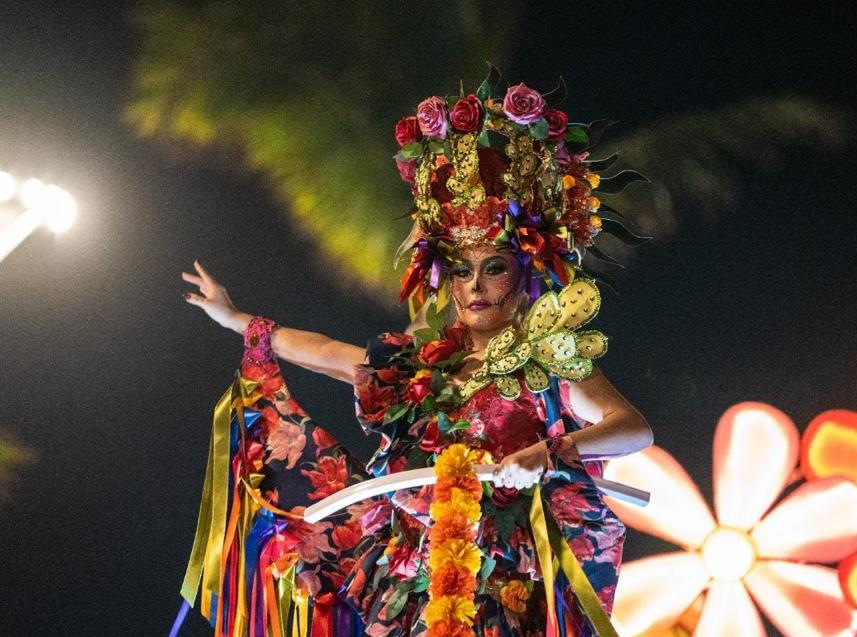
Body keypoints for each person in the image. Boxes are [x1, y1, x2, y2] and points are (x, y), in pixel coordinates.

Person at [178, 81, 653, 637]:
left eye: (494, 268)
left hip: (510, 572)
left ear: (523, 277)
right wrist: (240, 322)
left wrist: (551, 451)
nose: (475, 286)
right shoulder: (424, 371)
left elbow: (633, 430)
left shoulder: (547, 360)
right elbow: (334, 355)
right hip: (416, 570)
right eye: (461, 270)